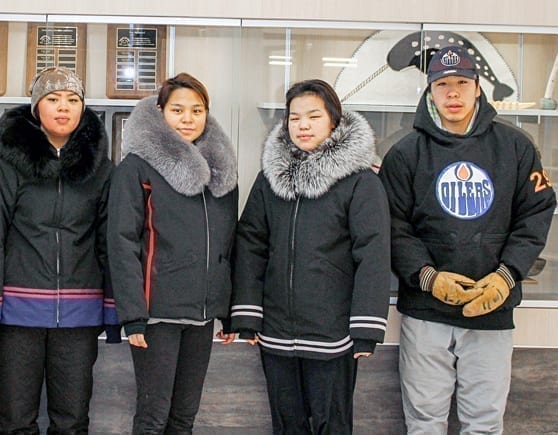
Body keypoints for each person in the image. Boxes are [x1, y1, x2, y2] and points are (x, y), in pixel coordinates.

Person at [378, 45, 556, 434]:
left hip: (490, 312)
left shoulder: (516, 147)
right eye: (443, 84)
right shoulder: (404, 153)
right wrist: (427, 276)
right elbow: (393, 224)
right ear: (429, 92)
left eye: (462, 83)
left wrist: (506, 276)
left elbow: (536, 214)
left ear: (478, 88)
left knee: (485, 423)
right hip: (425, 313)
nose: (453, 93)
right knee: (424, 422)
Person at [230, 79, 391, 434]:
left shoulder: (360, 181)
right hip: (276, 330)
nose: (302, 125)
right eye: (294, 118)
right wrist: (247, 313)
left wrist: (366, 328)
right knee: (287, 425)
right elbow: (251, 242)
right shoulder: (271, 178)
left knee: (331, 425)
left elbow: (374, 254)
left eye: (313, 116)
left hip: (333, 333)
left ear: (334, 120)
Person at [0, 66, 119, 433]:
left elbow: (109, 241)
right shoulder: (7, 167)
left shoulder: (102, 170)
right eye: (53, 99)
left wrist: (115, 309)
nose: (63, 107)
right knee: (16, 419)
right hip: (18, 316)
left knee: (71, 420)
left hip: (79, 317)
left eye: (72, 100)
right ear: (36, 107)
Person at [107, 72, 238, 434]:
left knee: (184, 417)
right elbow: (122, 243)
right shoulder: (138, 167)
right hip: (157, 316)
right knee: (153, 416)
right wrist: (133, 314)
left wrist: (227, 309)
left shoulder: (220, 170)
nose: (187, 118)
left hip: (202, 316)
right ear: (161, 111)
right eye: (177, 109)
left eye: (197, 110)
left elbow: (230, 243)